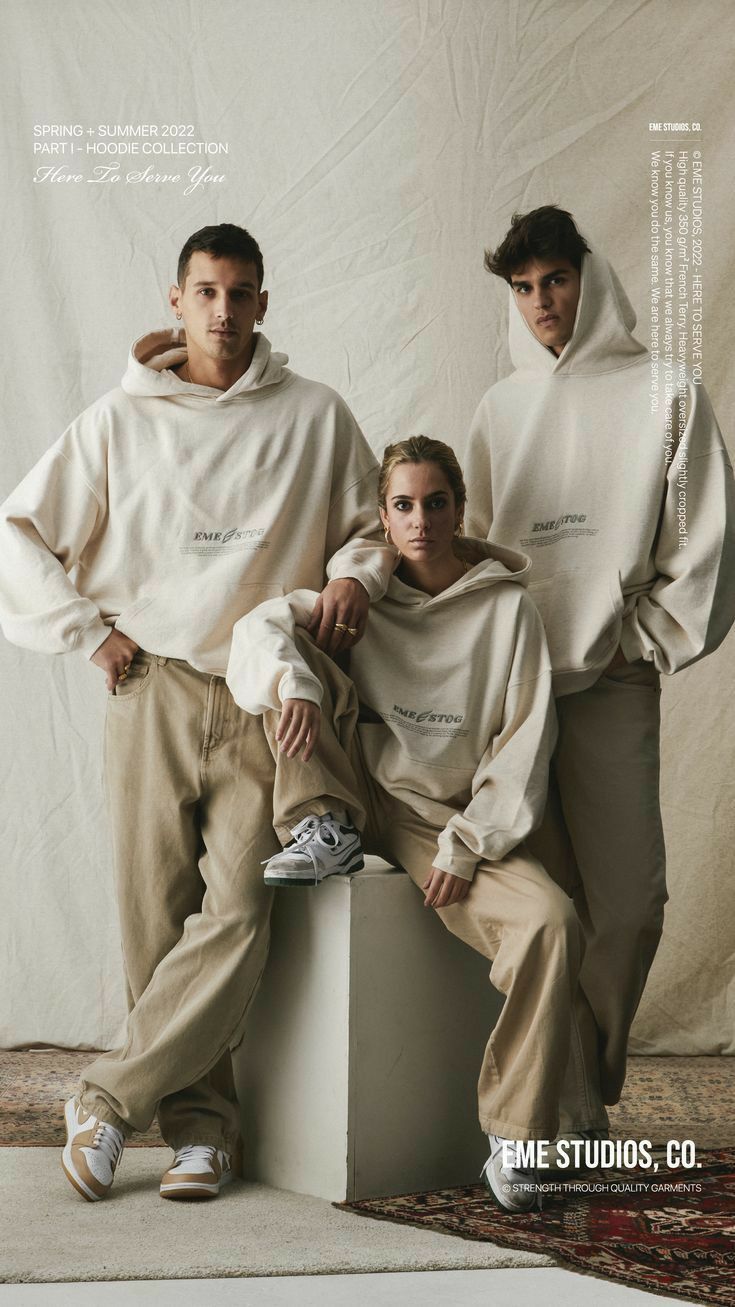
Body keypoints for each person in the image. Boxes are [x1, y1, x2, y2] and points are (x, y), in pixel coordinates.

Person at [0, 223, 394, 1201]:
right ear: (176, 301)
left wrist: (353, 574)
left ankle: (106, 1093)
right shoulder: (118, 422)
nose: (225, 310)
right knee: (151, 917)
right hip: (152, 687)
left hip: (265, 691)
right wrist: (87, 630)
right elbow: (19, 526)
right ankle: (202, 1133)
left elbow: (370, 527)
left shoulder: (315, 415)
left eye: (244, 292)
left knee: (242, 907)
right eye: (208, 291)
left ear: (266, 302)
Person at [226, 435, 608, 1213]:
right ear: (382, 517)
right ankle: (321, 823)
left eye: (436, 502)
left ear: (460, 510)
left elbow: (523, 746)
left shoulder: (508, 612)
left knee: (552, 921)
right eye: (403, 505)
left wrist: (468, 846)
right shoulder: (359, 595)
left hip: (456, 820)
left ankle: (513, 1132)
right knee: (295, 661)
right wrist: (295, 683)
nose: (421, 520)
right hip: (373, 799)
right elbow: (254, 633)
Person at [463, 205, 735, 1132]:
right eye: (523, 287)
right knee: (547, 908)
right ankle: (562, 1112)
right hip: (511, 690)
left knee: (627, 904)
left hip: (610, 682)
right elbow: (471, 550)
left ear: (591, 273)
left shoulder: (666, 390)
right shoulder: (499, 409)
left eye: (556, 279)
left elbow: (702, 548)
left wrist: (634, 640)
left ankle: (584, 1083)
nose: (542, 302)